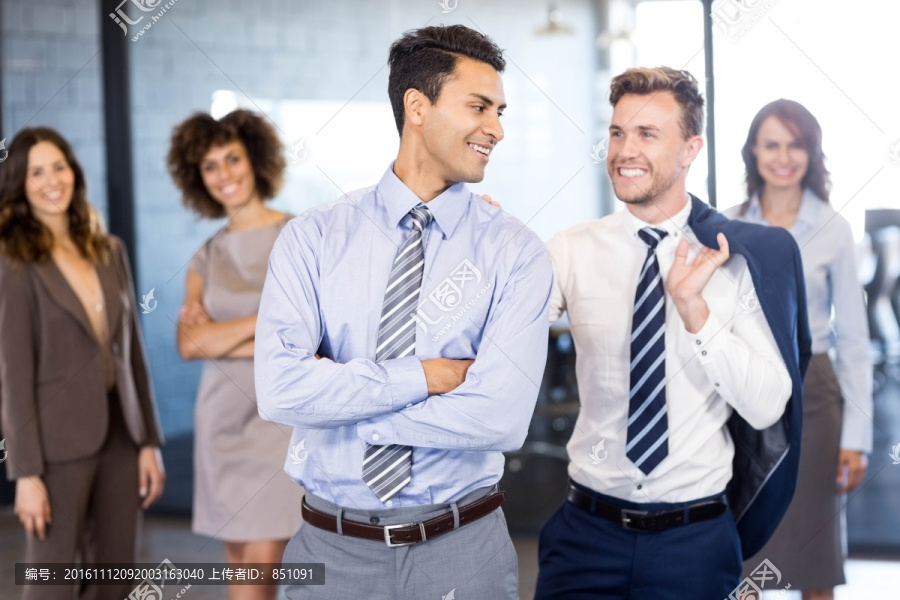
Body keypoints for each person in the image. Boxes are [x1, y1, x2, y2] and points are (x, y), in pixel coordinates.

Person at [255, 24, 553, 599]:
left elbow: (500, 419)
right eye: (479, 106)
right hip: (329, 552)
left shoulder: (515, 251)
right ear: (417, 106)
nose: (496, 128)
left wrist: (338, 404)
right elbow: (280, 393)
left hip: (463, 550)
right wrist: (430, 377)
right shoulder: (312, 238)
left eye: (501, 111)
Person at [534, 67, 809, 600]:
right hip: (584, 537)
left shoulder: (737, 260)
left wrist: (695, 312)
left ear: (690, 148)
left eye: (646, 134)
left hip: (695, 543)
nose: (624, 150)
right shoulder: (569, 250)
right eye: (617, 132)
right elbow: (500, 336)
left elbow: (766, 406)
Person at [0, 127, 165, 600]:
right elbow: (13, 376)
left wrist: (148, 441)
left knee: (117, 580)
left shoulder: (109, 250)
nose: (52, 180)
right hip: (55, 447)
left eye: (59, 166)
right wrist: (26, 474)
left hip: (121, 436)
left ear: (73, 171)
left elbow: (133, 355)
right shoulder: (12, 261)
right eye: (36, 172)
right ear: (19, 182)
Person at [725, 99, 872, 600]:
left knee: (814, 556)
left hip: (814, 391)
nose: (783, 156)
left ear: (811, 153)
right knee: (743, 550)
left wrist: (858, 436)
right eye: (771, 143)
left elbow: (854, 339)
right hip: (744, 390)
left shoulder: (834, 230)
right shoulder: (730, 224)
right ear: (753, 151)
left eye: (795, 144)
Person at [169, 109, 304, 600]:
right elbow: (190, 345)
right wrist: (269, 323)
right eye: (210, 165)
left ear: (256, 160)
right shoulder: (205, 256)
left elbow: (310, 337)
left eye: (232, 159)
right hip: (221, 422)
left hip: (276, 425)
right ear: (197, 178)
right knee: (238, 567)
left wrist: (225, 335)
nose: (224, 174)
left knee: (259, 573)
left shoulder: (299, 235)